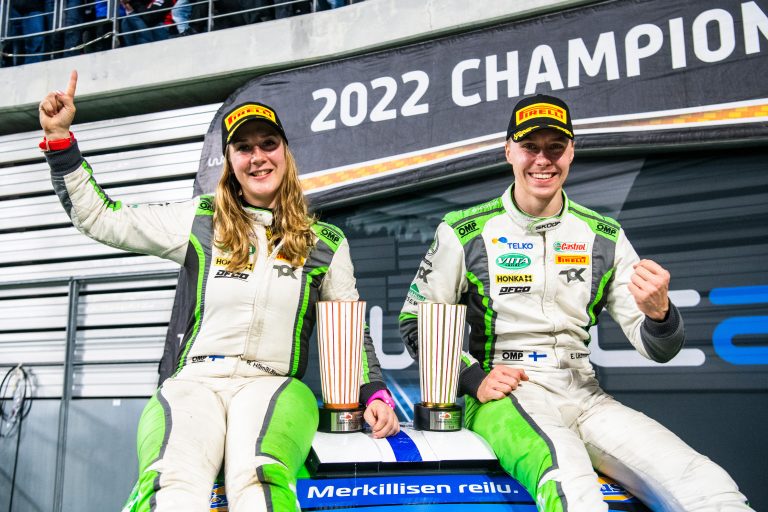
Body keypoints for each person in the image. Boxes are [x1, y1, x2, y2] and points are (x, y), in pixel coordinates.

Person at [39, 70, 400, 511]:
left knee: (259, 477)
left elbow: (349, 328)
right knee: (171, 483)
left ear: (286, 153)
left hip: (271, 384)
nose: (258, 157)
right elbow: (100, 216)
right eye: (243, 148)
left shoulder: (324, 241)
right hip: (195, 383)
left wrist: (374, 393)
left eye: (268, 144)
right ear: (229, 161)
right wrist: (60, 142)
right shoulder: (200, 220)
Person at [399, 94, 752, 511]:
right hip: (508, 395)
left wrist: (660, 314)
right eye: (530, 146)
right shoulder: (464, 231)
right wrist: (473, 378)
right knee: (570, 482)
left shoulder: (604, 235)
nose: (542, 160)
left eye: (555, 147)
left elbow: (659, 349)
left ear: (571, 151)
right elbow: (415, 322)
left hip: (585, 393)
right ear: (509, 150)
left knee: (706, 483)